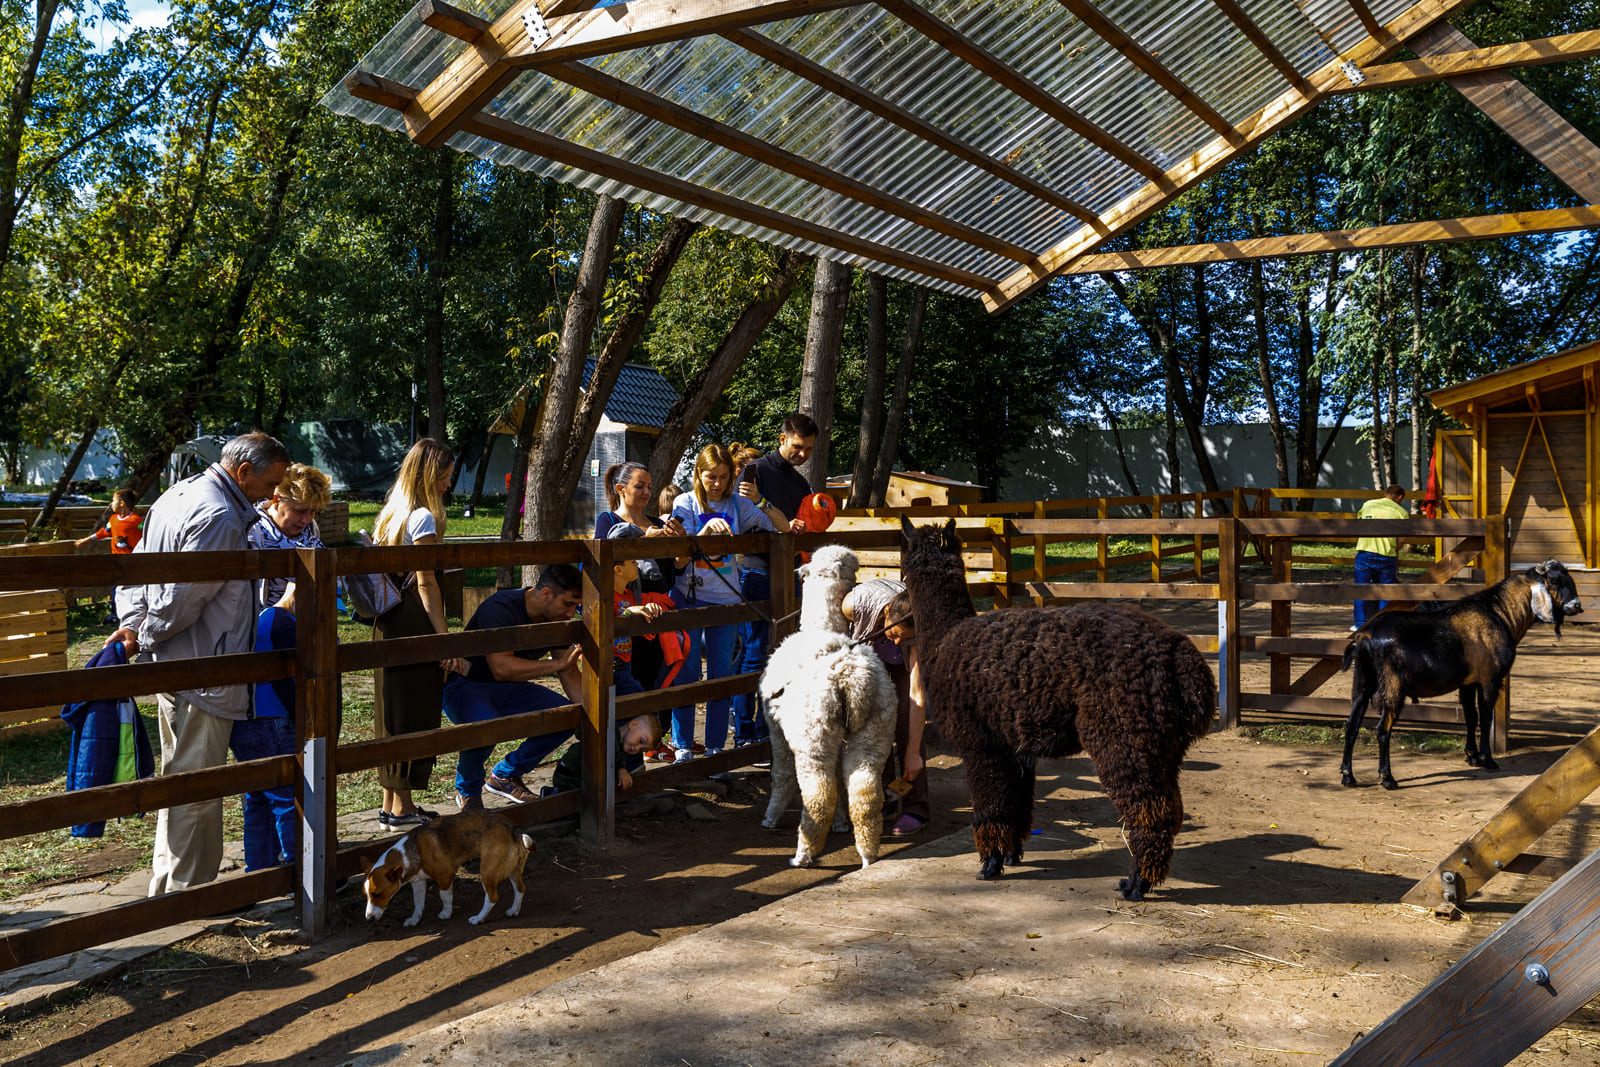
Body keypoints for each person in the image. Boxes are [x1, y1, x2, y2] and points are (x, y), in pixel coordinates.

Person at [106, 432, 291, 896]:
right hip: (206, 667)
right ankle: (190, 893)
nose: (272, 494)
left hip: (180, 663)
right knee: (199, 785)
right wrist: (145, 633)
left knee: (180, 775)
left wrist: (135, 626)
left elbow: (135, 571)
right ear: (243, 471)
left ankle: (166, 884)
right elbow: (182, 600)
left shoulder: (179, 493)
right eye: (269, 483)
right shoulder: (220, 515)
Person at [670, 443, 777, 763]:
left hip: (727, 600)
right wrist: (704, 532)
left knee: (720, 676)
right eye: (710, 477)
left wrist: (761, 501)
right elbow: (678, 550)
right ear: (698, 475)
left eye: (722, 477)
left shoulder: (737, 504)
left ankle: (716, 747)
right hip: (689, 598)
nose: (716, 483)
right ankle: (683, 747)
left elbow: (778, 527)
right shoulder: (684, 502)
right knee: (686, 675)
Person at [370, 437, 454, 827]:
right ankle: (401, 807)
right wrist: (442, 636)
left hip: (387, 621)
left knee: (392, 710)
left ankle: (392, 802)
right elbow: (426, 582)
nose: (448, 485)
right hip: (413, 619)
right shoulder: (422, 518)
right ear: (429, 476)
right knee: (413, 710)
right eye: (444, 477)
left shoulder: (391, 512)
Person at [731, 413, 816, 747]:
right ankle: (744, 731)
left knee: (783, 653)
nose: (803, 454)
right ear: (782, 439)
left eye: (808, 449)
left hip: (791, 574)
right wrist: (777, 521)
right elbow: (745, 520)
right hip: (757, 572)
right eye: (798, 447)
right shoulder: (755, 472)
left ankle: (772, 728)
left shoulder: (799, 483)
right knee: (754, 652)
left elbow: (804, 525)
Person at [843, 582, 929, 837]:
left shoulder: (915, 631)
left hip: (900, 664)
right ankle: (883, 800)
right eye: (895, 634)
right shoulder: (853, 606)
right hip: (865, 654)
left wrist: (913, 753)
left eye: (905, 637)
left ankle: (915, 807)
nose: (899, 640)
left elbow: (917, 695)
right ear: (886, 614)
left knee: (907, 725)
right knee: (871, 727)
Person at [593, 461, 687, 693]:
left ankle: (656, 728)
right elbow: (603, 564)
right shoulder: (608, 521)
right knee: (631, 685)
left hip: (661, 612)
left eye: (649, 487)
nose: (646, 492)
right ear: (620, 489)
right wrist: (645, 540)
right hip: (627, 612)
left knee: (660, 683)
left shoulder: (658, 524)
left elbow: (678, 569)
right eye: (639, 486)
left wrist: (681, 544)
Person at [235, 582, 300, 871]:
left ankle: (259, 869)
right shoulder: (286, 624)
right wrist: (302, 718)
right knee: (288, 796)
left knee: (258, 797)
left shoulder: (264, 618)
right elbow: (288, 683)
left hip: (245, 718)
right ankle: (302, 869)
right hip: (273, 719)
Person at [248, 462, 333, 607]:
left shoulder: (311, 527)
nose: (306, 520)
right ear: (276, 499)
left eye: (313, 511)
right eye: (299, 511)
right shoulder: (253, 529)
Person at [548, 712, 663, 795]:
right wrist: (621, 769)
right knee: (568, 797)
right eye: (641, 741)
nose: (636, 748)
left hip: (585, 777)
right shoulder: (608, 732)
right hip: (570, 772)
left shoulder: (622, 747)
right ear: (633, 724)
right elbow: (608, 752)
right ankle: (550, 794)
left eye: (642, 750)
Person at [1353, 484, 1408, 630]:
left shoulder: (1367, 504)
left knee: (1361, 589)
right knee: (1386, 591)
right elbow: (1401, 539)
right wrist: (1394, 549)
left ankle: (1360, 624)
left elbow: (1358, 524)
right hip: (1386, 555)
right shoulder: (1401, 512)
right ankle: (1384, 625)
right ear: (1400, 497)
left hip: (1365, 551)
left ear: (1386, 494)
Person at [75, 488, 143, 553]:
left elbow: (147, 531)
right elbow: (104, 532)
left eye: (113, 501)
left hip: (133, 558)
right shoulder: (113, 519)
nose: (111, 504)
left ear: (122, 503)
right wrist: (86, 540)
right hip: (116, 558)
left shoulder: (136, 520)